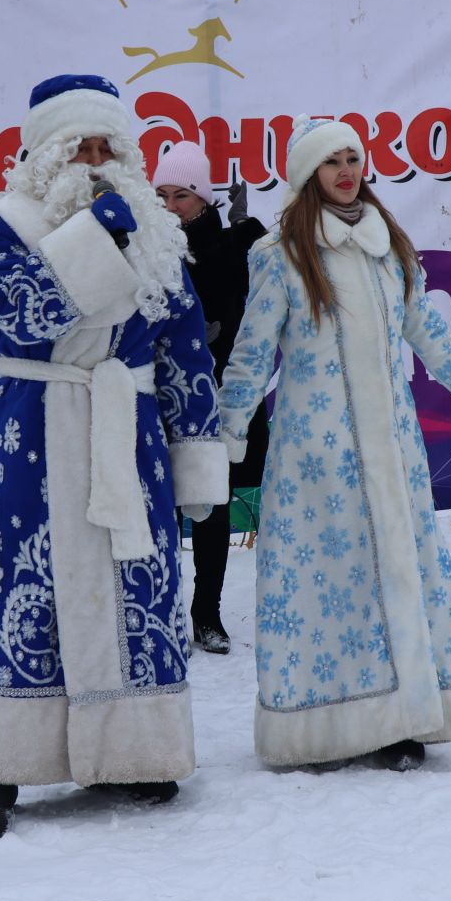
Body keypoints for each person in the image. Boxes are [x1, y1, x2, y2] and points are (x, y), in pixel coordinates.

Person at [217, 118, 451, 771]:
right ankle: (319, 727)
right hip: (314, 458)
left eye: (354, 157)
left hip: (394, 453)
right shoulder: (279, 256)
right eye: (332, 161)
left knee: (398, 582)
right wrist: (224, 440)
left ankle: (401, 719)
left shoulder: (390, 251)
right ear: (307, 175)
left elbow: (436, 342)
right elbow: (249, 357)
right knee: (324, 588)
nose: (347, 170)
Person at [0, 75, 228, 839]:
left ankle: (138, 755)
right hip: (36, 429)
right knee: (26, 582)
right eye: (78, 144)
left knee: (137, 582)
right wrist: (90, 239)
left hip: (130, 431)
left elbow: (183, 348)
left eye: (107, 144)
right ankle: (4, 767)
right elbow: (19, 319)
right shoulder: (4, 224)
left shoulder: (156, 231)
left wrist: (197, 452)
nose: (95, 157)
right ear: (45, 152)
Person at [153, 140, 269, 655]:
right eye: (162, 195)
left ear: (204, 200)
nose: (172, 207)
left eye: (182, 196)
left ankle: (207, 613)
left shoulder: (234, 245)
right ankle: (159, 611)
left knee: (211, 505)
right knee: (156, 507)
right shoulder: (145, 245)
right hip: (153, 391)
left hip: (215, 392)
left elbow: (260, 289)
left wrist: (251, 238)